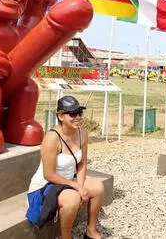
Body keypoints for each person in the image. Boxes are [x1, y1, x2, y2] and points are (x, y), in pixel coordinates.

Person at [26, 95, 105, 239]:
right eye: (73, 113)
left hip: (68, 181)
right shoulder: (52, 138)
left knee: (98, 187)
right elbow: (48, 175)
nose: (78, 117)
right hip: (46, 186)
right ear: (61, 116)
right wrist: (77, 188)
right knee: (73, 199)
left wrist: (80, 186)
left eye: (79, 112)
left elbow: (82, 163)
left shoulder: (82, 133)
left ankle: (90, 231)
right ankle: (65, 236)